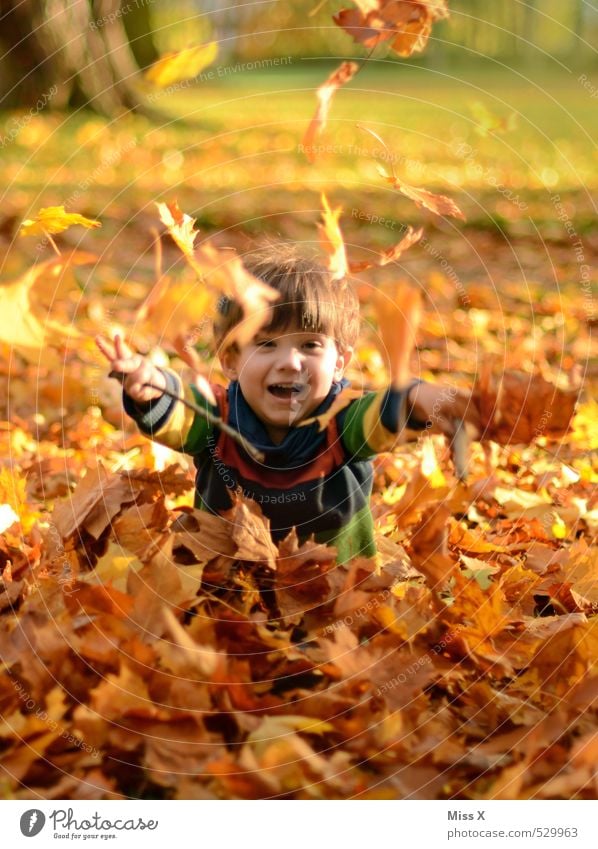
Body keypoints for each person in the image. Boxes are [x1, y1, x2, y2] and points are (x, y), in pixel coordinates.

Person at [96, 245, 478, 564]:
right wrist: (151, 388)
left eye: (310, 345)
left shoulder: (341, 421)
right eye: (265, 344)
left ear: (340, 361)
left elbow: (385, 414)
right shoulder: (216, 417)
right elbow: (178, 411)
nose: (290, 362)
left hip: (333, 598)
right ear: (230, 359)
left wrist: (418, 396)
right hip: (223, 596)